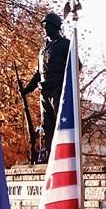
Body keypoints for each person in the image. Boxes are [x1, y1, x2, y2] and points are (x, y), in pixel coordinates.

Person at [20, 12, 80, 161]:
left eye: (47, 25)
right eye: (43, 26)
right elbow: (38, 73)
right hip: (44, 91)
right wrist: (27, 89)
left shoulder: (65, 44)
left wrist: (66, 84)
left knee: (60, 122)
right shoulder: (42, 49)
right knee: (46, 125)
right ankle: (49, 154)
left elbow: (77, 65)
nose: (44, 28)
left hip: (58, 89)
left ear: (55, 26)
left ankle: (62, 154)